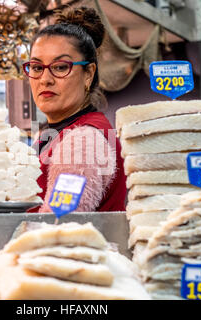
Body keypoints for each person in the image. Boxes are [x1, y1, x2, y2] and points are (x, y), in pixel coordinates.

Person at [24, 7, 127, 213]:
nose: (45, 79)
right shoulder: (53, 133)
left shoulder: (83, 141)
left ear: (88, 74)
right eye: (36, 67)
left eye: (61, 67)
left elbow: (59, 222)